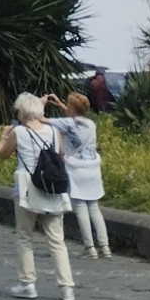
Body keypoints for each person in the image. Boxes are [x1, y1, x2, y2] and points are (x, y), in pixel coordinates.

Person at [0, 91, 76, 300]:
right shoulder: (53, 132)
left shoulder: (18, 132)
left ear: (21, 112)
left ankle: (28, 283)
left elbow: (2, 154)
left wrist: (4, 136)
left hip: (26, 185)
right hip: (50, 185)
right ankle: (67, 287)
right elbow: (59, 155)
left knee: (25, 236)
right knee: (57, 240)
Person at [49, 91, 111, 259]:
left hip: (76, 169)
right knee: (94, 208)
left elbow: (41, 120)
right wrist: (61, 105)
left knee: (81, 208)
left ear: (72, 107)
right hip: (93, 169)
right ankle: (104, 246)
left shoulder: (67, 123)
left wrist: (40, 103)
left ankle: (89, 247)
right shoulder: (91, 124)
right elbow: (75, 117)